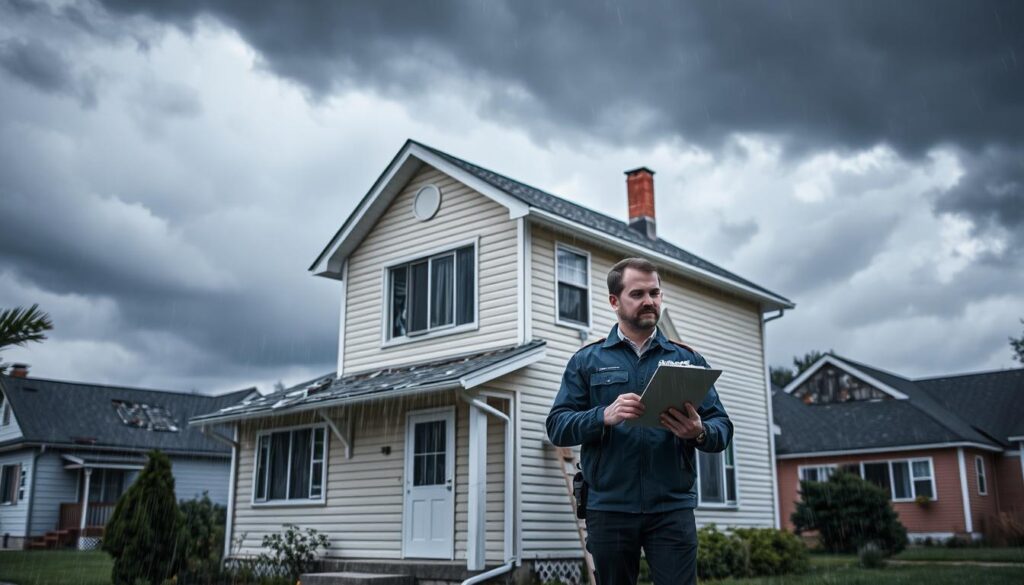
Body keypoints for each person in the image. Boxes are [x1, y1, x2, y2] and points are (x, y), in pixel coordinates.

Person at [546, 257, 733, 585]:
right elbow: (557, 426)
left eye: (655, 293)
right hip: (609, 508)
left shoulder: (686, 359)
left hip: (671, 509)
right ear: (614, 302)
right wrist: (602, 415)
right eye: (638, 294)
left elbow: (722, 427)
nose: (649, 301)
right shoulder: (586, 361)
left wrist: (700, 431)